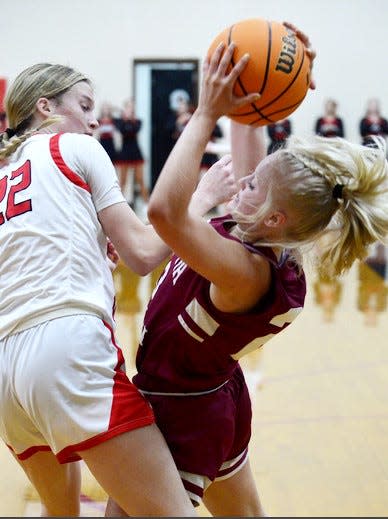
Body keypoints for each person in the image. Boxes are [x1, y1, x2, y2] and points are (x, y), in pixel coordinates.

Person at [107, 25, 388, 517]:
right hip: (217, 395)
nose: (243, 179)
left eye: (253, 185)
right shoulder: (271, 233)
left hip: (182, 410)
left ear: (276, 216)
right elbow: (248, 133)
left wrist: (205, 113)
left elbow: (165, 215)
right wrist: (269, 86)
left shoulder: (245, 269)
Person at [0, 62, 238, 517]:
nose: (94, 120)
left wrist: (90, 245)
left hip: (6, 375)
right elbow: (144, 254)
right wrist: (204, 197)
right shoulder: (74, 147)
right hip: (66, 352)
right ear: (44, 107)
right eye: (85, 106)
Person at [114, 97, 150, 206]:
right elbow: (123, 131)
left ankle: (146, 205)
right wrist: (125, 119)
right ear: (124, 109)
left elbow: (134, 130)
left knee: (140, 180)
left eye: (132, 107)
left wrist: (130, 120)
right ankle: (119, 206)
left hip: (135, 152)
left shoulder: (138, 121)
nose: (130, 109)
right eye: (128, 107)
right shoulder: (120, 122)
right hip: (124, 153)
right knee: (123, 181)